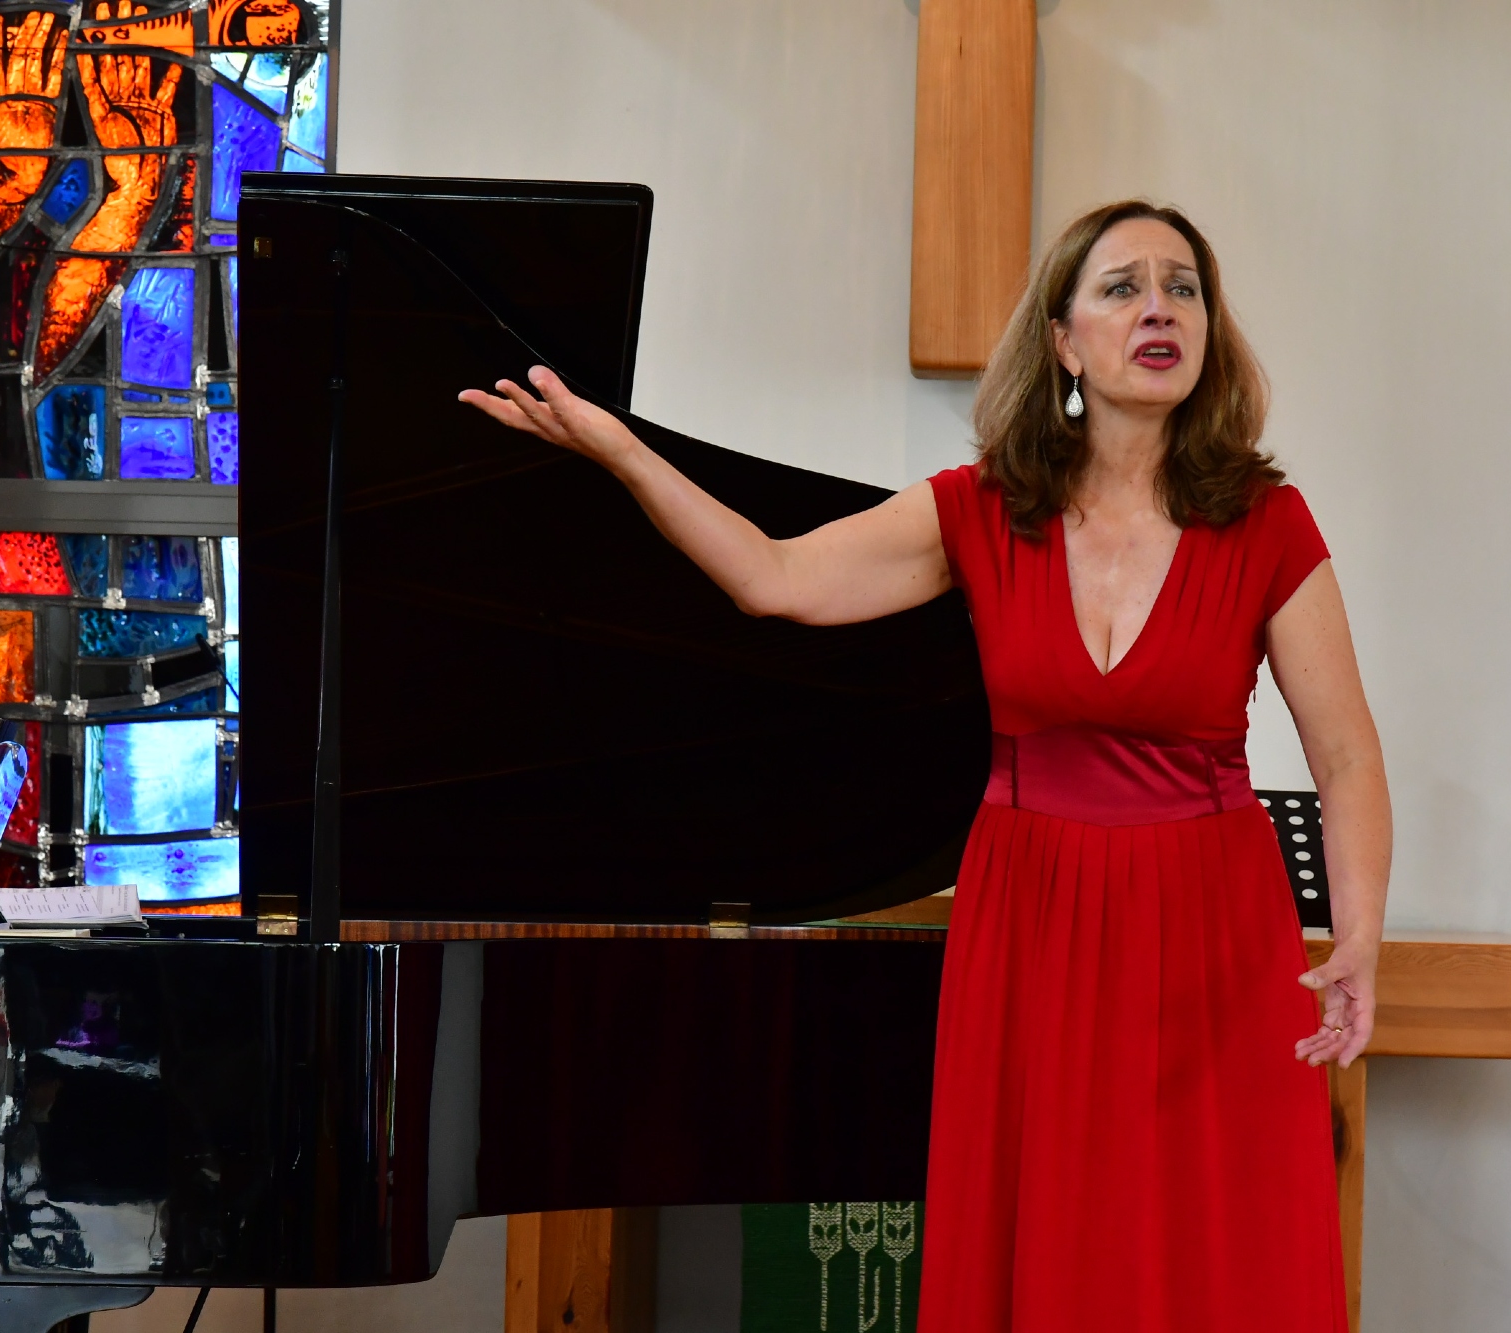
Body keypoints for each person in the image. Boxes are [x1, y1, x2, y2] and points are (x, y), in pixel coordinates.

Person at [461, 199, 1390, 1333]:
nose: (1159, 308)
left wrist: (1357, 938)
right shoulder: (982, 509)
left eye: (1182, 288)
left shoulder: (1268, 523)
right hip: (1032, 914)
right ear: (1063, 341)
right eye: (1123, 287)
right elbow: (772, 578)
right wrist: (619, 448)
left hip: (1213, 926)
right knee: (1044, 1235)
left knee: (1209, 1244)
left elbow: (1347, 758)